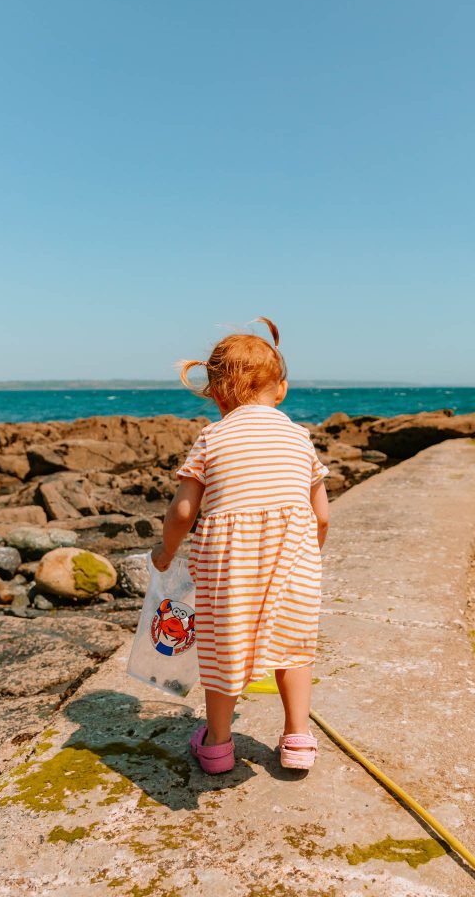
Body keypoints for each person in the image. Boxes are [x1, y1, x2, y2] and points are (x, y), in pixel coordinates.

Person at [151, 317, 329, 774]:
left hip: (228, 564)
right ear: (281, 389)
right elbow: (321, 514)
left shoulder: (212, 437)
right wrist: (312, 551)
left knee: (221, 649)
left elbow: (184, 512)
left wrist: (166, 553)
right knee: (295, 649)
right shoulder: (299, 437)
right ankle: (298, 741)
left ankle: (217, 745)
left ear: (215, 394)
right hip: (295, 559)